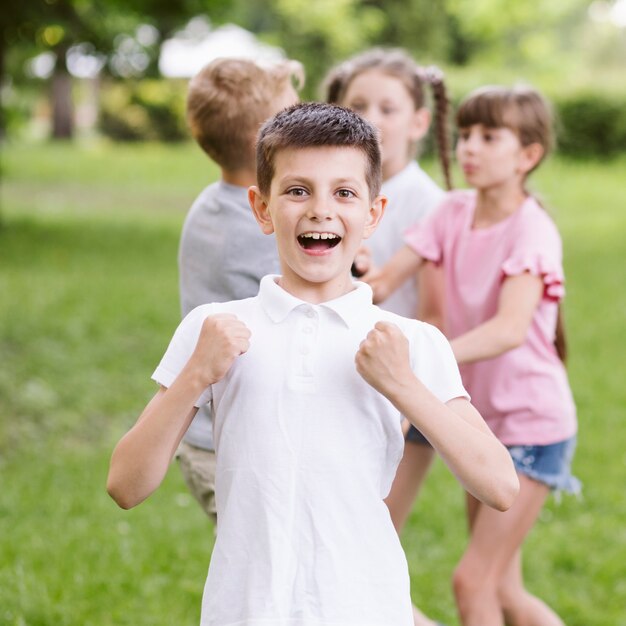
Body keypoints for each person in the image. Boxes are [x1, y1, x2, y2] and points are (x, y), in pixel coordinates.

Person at [107, 102, 519, 626]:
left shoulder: (411, 343)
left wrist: (404, 387)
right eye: (297, 190)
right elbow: (126, 484)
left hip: (366, 609)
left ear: (373, 214)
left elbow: (500, 486)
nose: (321, 209)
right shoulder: (214, 330)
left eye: (344, 192)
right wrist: (194, 376)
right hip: (245, 611)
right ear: (261, 208)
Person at [363, 86, 579, 626]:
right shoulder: (451, 212)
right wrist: (345, 259)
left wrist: (426, 358)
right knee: (503, 589)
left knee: (473, 582)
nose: (469, 148)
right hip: (482, 424)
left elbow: (509, 329)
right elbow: (385, 280)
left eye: (488, 136)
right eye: (463, 136)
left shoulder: (533, 229)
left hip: (531, 425)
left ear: (528, 155)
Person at [323, 48, 452, 626]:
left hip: (402, 398)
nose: (372, 118)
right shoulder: (334, 191)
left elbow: (434, 319)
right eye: (358, 106)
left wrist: (401, 408)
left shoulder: (429, 204)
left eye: (388, 107)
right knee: (343, 560)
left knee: (362, 557)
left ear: (419, 122)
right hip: (344, 388)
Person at [177, 57, 303, 522]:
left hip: (213, 438)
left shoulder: (213, 204)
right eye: (293, 116)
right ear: (262, 143)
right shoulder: (259, 230)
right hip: (236, 449)